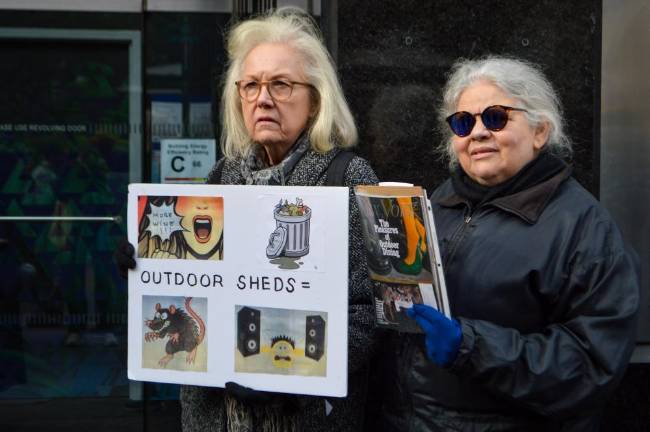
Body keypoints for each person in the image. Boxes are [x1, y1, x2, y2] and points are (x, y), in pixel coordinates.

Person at [115, 7, 378, 432]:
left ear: (315, 98)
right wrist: (146, 268)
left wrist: (290, 379)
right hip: (217, 418)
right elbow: (198, 289)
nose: (263, 98)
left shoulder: (347, 178)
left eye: (281, 84)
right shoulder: (221, 176)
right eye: (251, 85)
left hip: (305, 418)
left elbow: (367, 314)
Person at [379, 56, 640, 431]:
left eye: (496, 117)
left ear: (540, 131)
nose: (478, 132)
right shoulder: (439, 202)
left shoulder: (584, 229)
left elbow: (590, 366)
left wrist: (468, 346)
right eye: (464, 122)